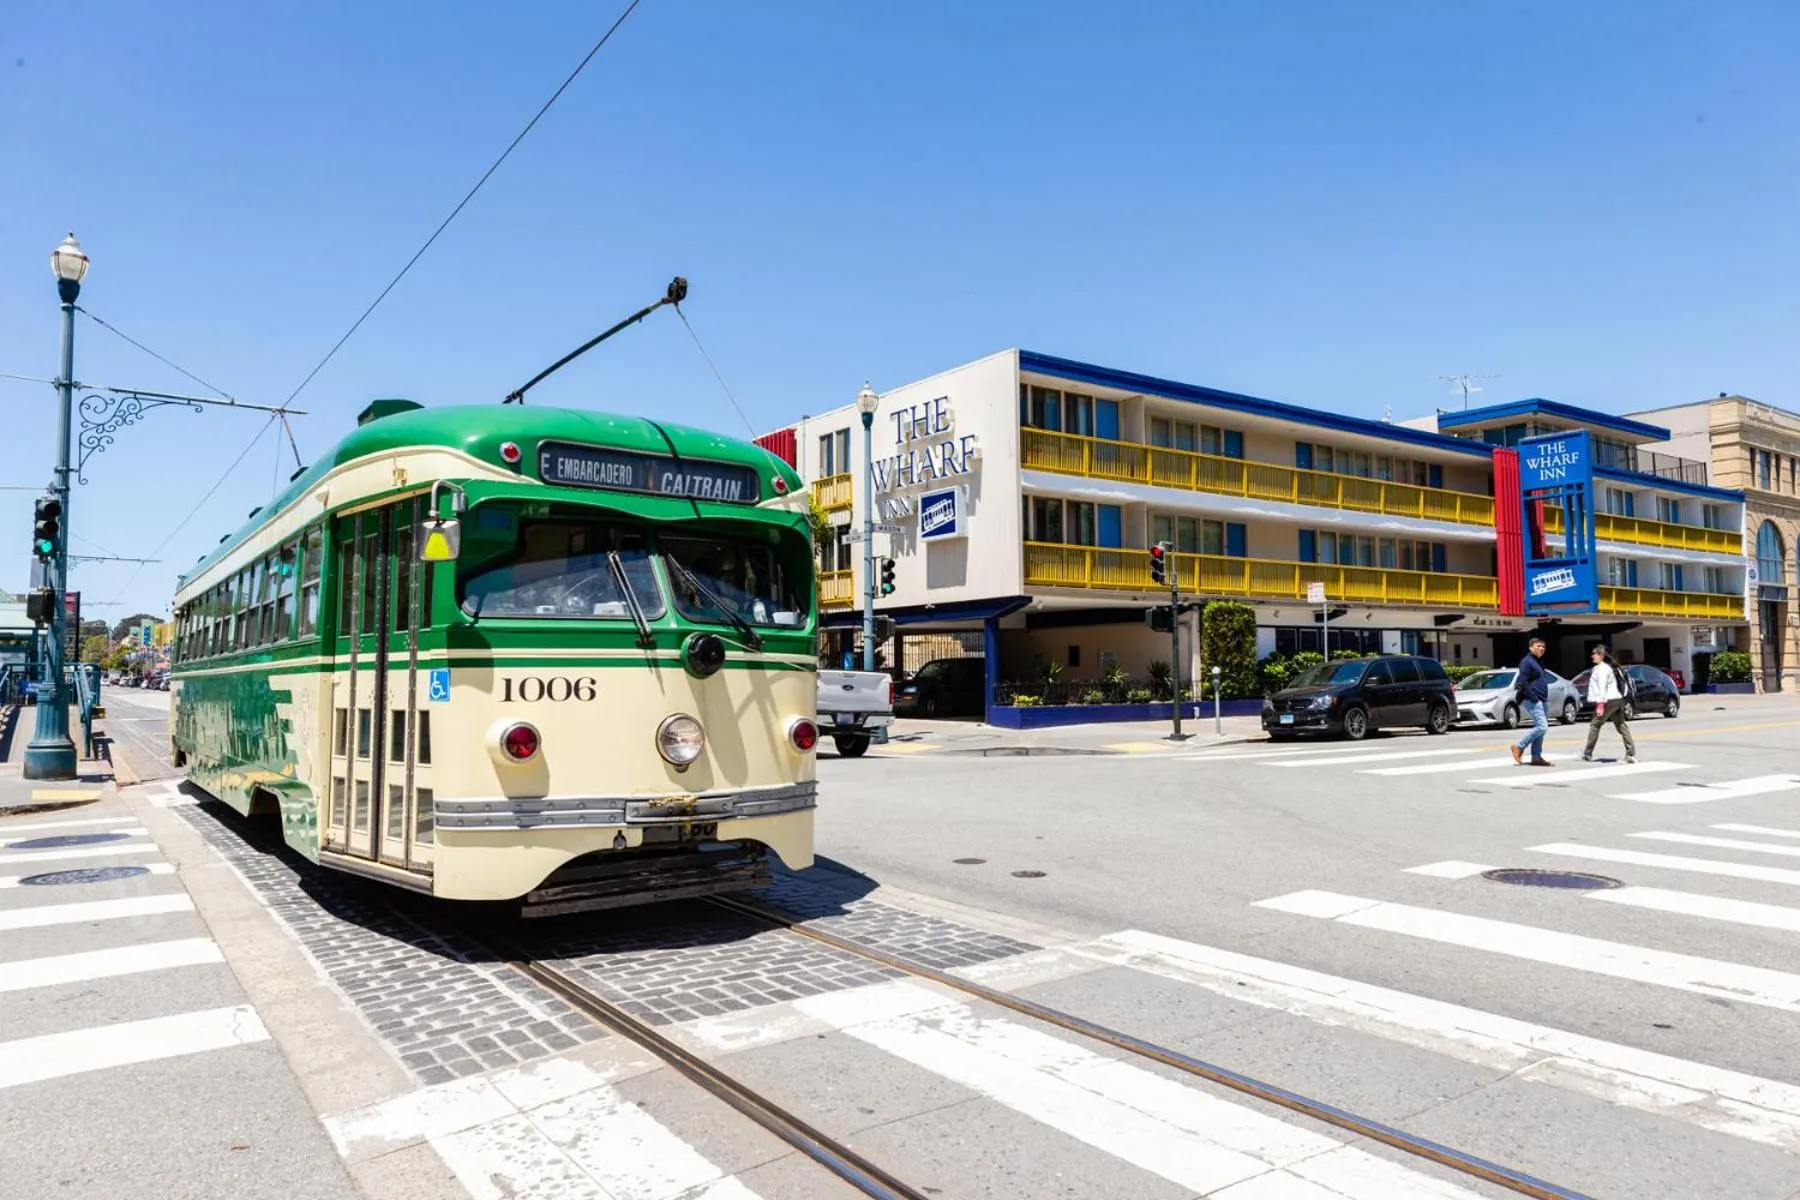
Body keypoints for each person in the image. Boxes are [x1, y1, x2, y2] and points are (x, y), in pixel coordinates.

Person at [1581, 647, 1637, 763]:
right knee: (1621, 725)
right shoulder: (1608, 668)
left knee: (1595, 725)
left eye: (1594, 654)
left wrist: (1600, 705)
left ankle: (1587, 753)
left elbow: (1602, 687)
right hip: (1618, 700)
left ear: (1601, 655)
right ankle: (1630, 754)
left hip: (1608, 700)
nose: (1592, 656)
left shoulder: (1602, 669)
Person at [1509, 636, 1552, 767]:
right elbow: (1522, 682)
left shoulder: (1538, 661)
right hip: (1532, 699)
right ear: (1530, 647)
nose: (1541, 648)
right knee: (1542, 726)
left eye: (1543, 646)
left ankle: (1536, 756)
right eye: (1538, 646)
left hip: (1541, 699)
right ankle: (1519, 747)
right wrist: (1533, 697)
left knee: (1541, 729)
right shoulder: (1526, 661)